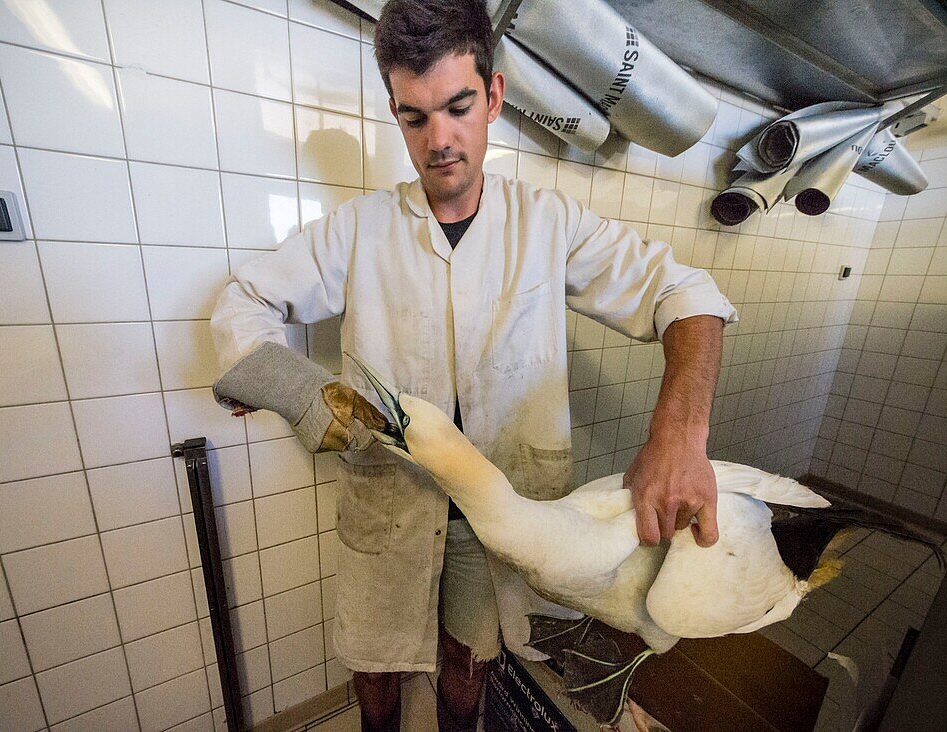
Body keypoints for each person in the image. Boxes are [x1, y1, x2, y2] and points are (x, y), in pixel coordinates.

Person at [209, 1, 738, 728]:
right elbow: (243, 302)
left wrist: (680, 436)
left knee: (471, 664)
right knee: (376, 665)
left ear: (492, 97)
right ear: (395, 113)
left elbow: (688, 293)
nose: (440, 139)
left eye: (459, 107)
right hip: (389, 502)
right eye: (415, 117)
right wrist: (289, 388)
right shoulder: (358, 231)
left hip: (500, 512)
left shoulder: (549, 224)